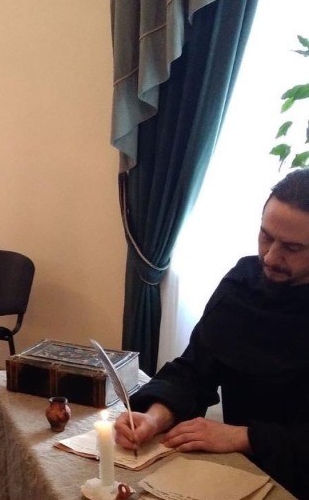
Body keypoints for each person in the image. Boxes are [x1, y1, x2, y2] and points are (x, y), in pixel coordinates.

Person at [114, 168, 309, 500]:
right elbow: (194, 370)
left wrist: (242, 437)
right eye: (265, 236)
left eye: (292, 248)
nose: (270, 257)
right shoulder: (243, 281)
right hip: (241, 470)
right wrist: (153, 418)